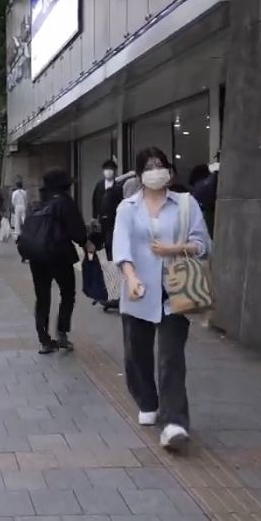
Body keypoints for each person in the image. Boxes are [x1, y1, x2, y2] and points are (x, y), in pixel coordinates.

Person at [113, 147, 210, 451]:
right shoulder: (127, 207)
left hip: (175, 291)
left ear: (170, 171)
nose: (157, 170)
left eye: (161, 165)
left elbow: (203, 244)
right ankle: (147, 400)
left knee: (171, 359)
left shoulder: (186, 203)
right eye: (150, 166)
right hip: (138, 291)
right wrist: (131, 278)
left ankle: (174, 422)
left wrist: (174, 249)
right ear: (140, 174)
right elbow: (121, 247)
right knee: (136, 355)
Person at [26, 168, 88, 354]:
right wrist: (85, 243)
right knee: (67, 293)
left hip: (36, 256)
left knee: (42, 297)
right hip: (59, 255)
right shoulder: (65, 202)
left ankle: (44, 339)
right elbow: (77, 231)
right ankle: (62, 333)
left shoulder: (37, 203)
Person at [92, 160, 124, 261]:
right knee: (104, 236)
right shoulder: (100, 184)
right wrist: (94, 215)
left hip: (114, 216)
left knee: (111, 237)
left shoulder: (119, 185)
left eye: (111, 169)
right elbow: (95, 199)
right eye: (106, 169)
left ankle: (111, 257)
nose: (108, 172)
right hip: (102, 216)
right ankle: (107, 255)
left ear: (114, 171)